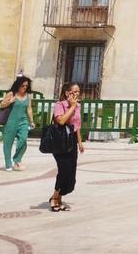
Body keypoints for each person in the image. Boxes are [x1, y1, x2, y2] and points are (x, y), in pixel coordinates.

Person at [49, 82, 85, 213]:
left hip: (72, 141)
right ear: (67, 93)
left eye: (78, 92)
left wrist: (80, 142)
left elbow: (77, 126)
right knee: (63, 169)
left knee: (70, 173)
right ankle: (54, 198)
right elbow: (61, 121)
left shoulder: (78, 106)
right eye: (74, 92)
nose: (76, 94)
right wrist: (71, 107)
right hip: (60, 141)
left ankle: (59, 198)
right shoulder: (60, 105)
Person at [0, 76, 34, 171]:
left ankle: (17, 160)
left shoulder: (28, 96)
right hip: (11, 122)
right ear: (18, 85)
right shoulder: (11, 94)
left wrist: (31, 121)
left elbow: (29, 109)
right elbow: (1, 105)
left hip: (23, 121)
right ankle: (8, 163)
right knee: (8, 143)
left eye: (26, 86)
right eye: (23, 85)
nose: (25, 87)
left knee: (23, 140)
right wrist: (10, 101)